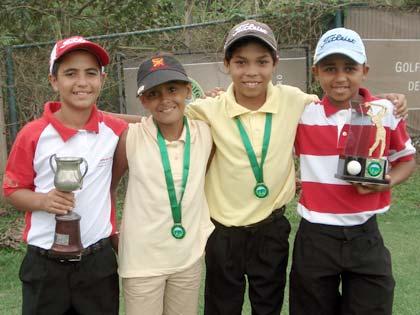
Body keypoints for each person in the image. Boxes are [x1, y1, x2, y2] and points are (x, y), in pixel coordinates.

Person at [110, 20, 408, 314]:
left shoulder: (297, 102)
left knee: (268, 305)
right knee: (222, 306)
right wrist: (92, 116)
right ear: (227, 64)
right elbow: (163, 117)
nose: (251, 72)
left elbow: (344, 99)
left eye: (261, 62)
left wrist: (387, 101)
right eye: (241, 62)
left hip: (271, 228)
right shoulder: (208, 109)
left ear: (274, 63)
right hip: (222, 232)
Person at [290, 27, 416, 315]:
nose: (340, 77)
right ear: (316, 72)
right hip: (315, 237)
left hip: (365, 235)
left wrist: (388, 182)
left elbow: (407, 160)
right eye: (330, 68)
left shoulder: (383, 112)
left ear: (364, 71)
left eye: (350, 67)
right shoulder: (302, 113)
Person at [2, 36, 127, 315]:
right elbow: (12, 191)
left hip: (98, 263)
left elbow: (154, 120)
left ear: (102, 80)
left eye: (90, 73)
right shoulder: (33, 134)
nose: (82, 82)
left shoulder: (115, 130)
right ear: (54, 81)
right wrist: (44, 201)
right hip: (45, 266)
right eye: (70, 73)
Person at [111, 54, 214, 315]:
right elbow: (108, 187)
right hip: (142, 262)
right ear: (143, 100)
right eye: (154, 94)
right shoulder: (131, 137)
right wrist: (112, 232)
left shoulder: (206, 132)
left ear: (187, 91)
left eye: (172, 89)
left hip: (187, 259)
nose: (165, 99)